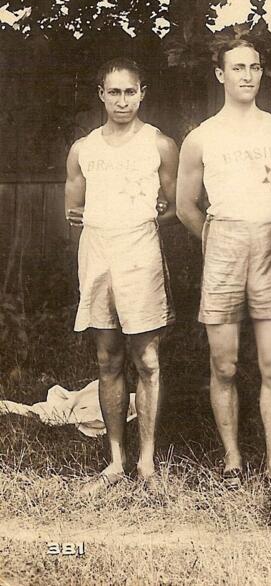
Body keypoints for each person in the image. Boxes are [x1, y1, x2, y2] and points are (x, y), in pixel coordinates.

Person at [176, 38, 271, 488]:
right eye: (237, 67)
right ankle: (232, 459)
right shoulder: (202, 137)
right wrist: (215, 241)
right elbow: (185, 206)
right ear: (220, 74)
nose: (247, 75)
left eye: (254, 66)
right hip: (224, 244)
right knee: (224, 364)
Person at [65, 58, 179, 493]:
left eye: (130, 91)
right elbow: (72, 211)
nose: (122, 100)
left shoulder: (160, 145)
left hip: (141, 253)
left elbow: (172, 207)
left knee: (147, 360)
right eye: (114, 92)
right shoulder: (84, 149)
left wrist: (137, 221)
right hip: (97, 254)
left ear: (142, 93)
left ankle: (147, 463)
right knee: (108, 358)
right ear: (101, 95)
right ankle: (116, 460)